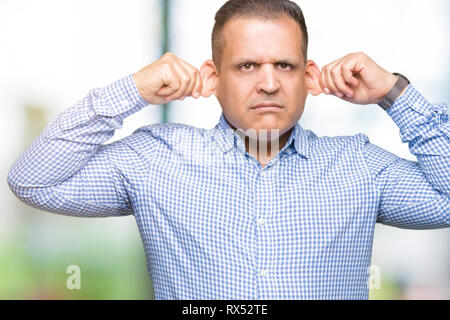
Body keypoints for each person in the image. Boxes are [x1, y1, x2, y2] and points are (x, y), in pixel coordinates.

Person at [7, 0, 449, 300]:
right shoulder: (155, 158)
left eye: (284, 65)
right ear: (213, 77)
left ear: (308, 76)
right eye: (247, 66)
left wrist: (394, 91)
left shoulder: (358, 165)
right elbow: (33, 180)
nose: (270, 82)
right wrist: (133, 90)